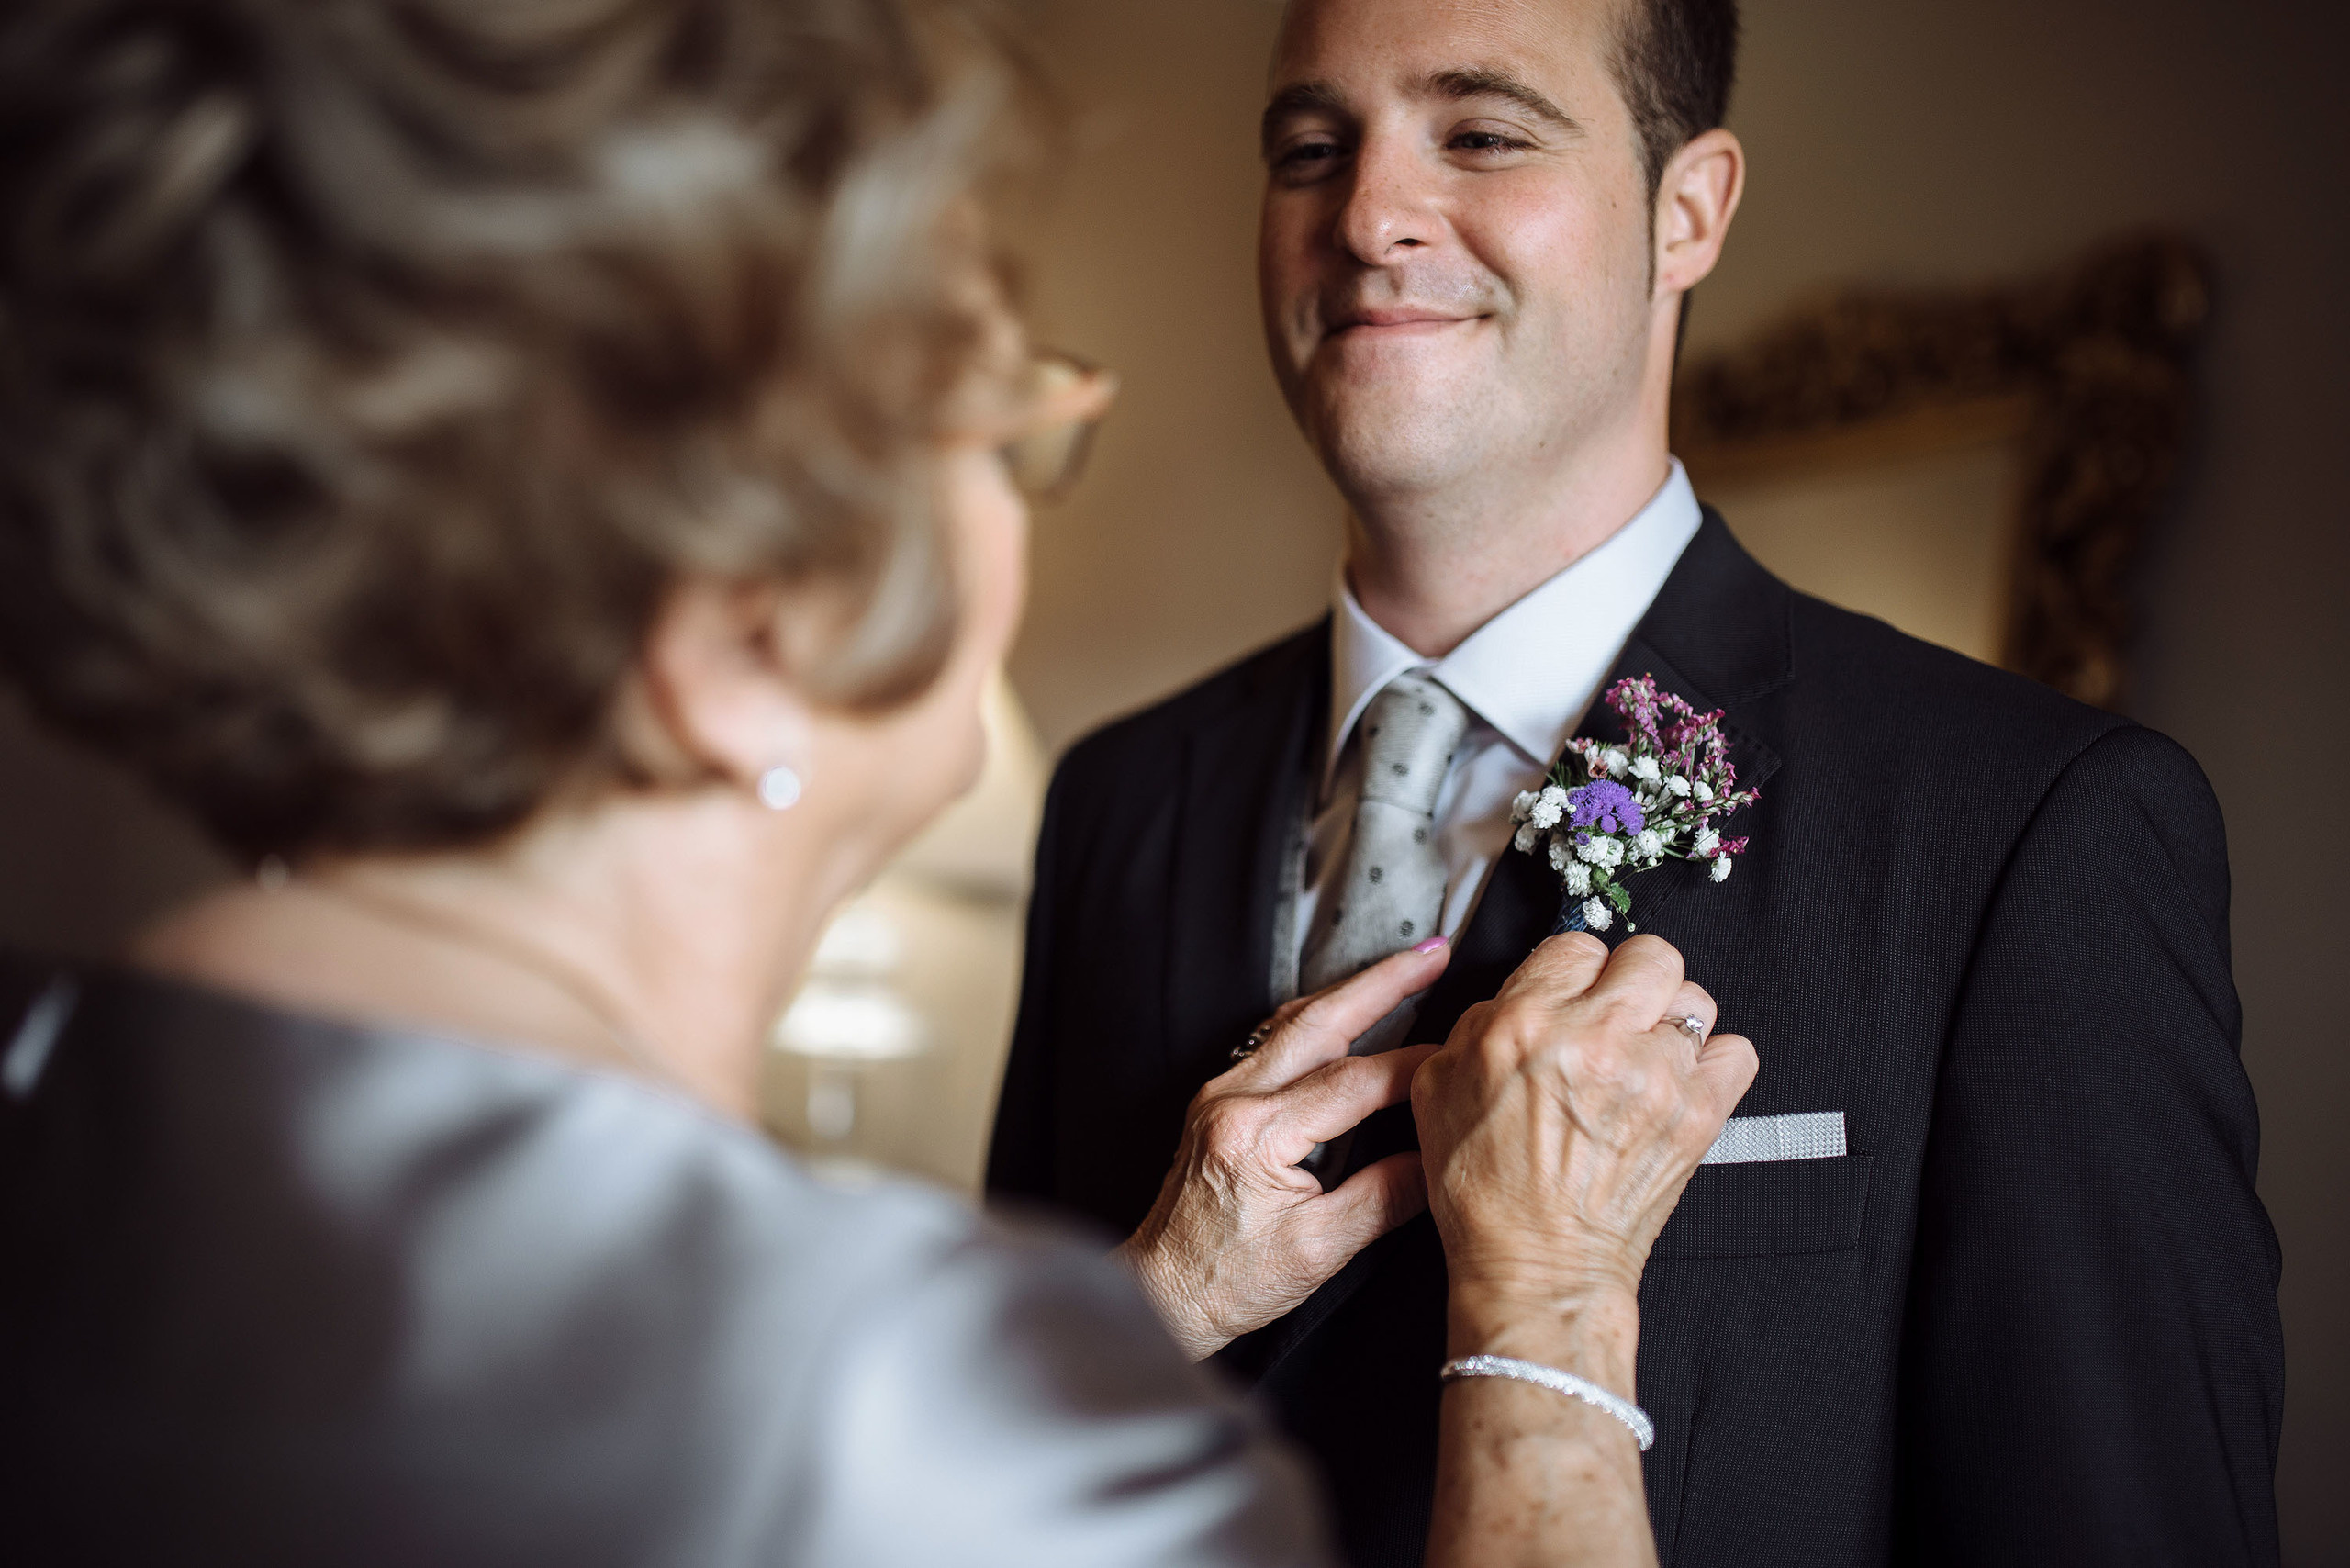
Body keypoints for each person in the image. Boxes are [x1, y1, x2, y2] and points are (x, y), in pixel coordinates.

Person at [0, 0, 1762, 1564]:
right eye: (1001, 416)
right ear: (742, 618)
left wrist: (1156, 1297)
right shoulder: (914, 1425)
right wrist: (1547, 1310)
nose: (1369, 216)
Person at [987, 0, 2286, 1563]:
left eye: (1482, 133)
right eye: (1312, 149)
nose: (1370, 218)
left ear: (1690, 211)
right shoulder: (1119, 798)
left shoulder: (2029, 823)